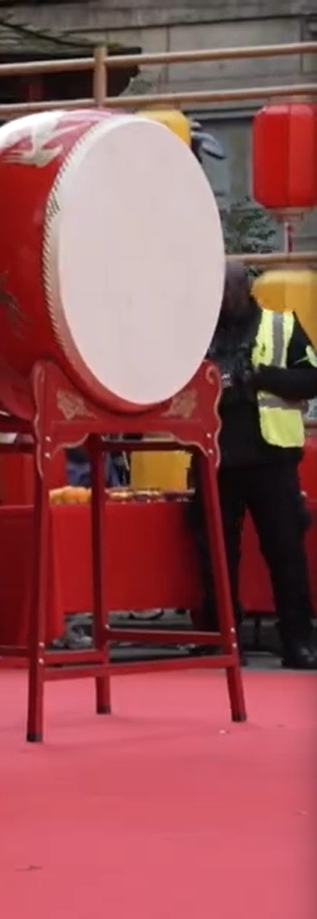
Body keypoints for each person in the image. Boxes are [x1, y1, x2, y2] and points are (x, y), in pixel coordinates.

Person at [199, 259, 317, 669]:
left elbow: (311, 379)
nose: (220, 298)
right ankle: (221, 639)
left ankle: (299, 642)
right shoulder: (195, 334)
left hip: (271, 458)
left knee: (286, 552)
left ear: (245, 287)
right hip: (214, 457)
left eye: (227, 289)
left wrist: (261, 376)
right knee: (215, 553)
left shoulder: (281, 326)